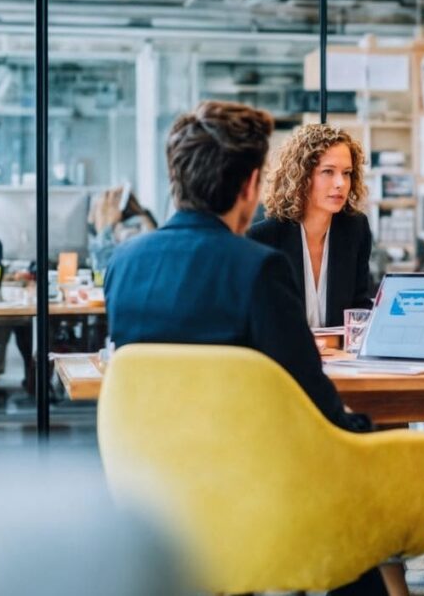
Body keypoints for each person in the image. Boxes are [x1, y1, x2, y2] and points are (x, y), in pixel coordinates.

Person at [104, 101, 389, 596]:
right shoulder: (257, 266)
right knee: (358, 488)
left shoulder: (123, 262)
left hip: (149, 482)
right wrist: (364, 433)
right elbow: (311, 397)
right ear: (251, 185)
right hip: (250, 477)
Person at [248, 124, 373, 329]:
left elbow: (360, 307)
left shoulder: (355, 229)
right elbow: (259, 320)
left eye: (347, 173)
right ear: (301, 176)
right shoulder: (263, 238)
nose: (340, 183)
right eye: (328, 171)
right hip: (284, 358)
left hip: (340, 357)